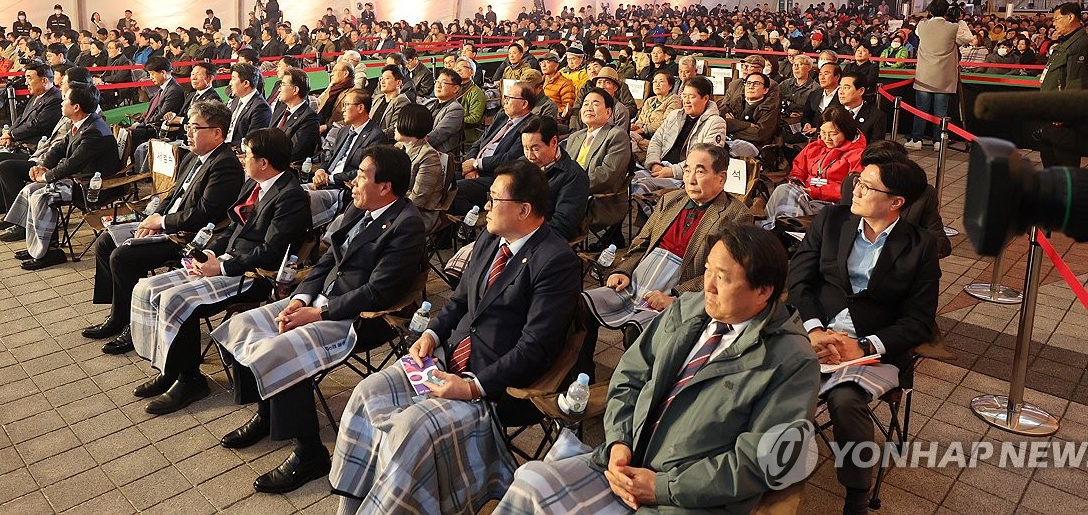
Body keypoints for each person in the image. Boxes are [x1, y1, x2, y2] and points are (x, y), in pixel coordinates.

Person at [493, 223, 820, 515]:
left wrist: (662, 486)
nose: (708, 286)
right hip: (628, 459)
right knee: (531, 481)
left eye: (723, 278)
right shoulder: (689, 310)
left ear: (763, 292)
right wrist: (620, 442)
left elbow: (759, 461)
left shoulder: (790, 361)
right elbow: (629, 375)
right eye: (707, 271)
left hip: (690, 496)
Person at [327, 160, 581, 513]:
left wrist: (473, 386)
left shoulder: (556, 260)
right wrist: (431, 334)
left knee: (409, 431)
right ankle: (351, 503)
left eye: (495, 199)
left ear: (524, 210)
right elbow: (460, 300)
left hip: (495, 383)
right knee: (367, 392)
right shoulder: (492, 238)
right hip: (448, 356)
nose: (486, 207)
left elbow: (536, 346)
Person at [787, 158, 939, 515]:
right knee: (762, 376)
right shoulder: (832, 220)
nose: (855, 189)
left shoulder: (920, 246)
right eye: (859, 180)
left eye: (867, 186)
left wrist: (864, 346)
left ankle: (857, 493)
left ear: (896, 202)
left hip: (873, 348)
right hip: (813, 331)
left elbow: (919, 320)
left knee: (845, 401)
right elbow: (799, 280)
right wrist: (814, 329)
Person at [127, 128, 309, 412]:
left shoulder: (290, 196)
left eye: (246, 155)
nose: (241, 160)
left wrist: (223, 266)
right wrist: (211, 252)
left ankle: (190, 380)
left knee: (176, 299)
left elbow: (272, 252)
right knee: (147, 288)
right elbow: (234, 228)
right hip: (229, 261)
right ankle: (168, 368)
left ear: (264, 162)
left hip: (255, 274)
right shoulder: (255, 185)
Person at [84, 100, 243, 352]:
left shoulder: (225, 164)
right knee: (106, 241)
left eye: (195, 128)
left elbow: (205, 213)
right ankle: (118, 315)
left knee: (123, 256)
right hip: (167, 224)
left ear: (216, 133)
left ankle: (133, 327)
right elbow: (170, 196)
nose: (188, 133)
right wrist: (153, 219)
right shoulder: (193, 157)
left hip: (188, 237)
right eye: (188, 126)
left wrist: (163, 222)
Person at [579, 144, 752, 369]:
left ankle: (634, 391)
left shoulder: (736, 215)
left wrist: (676, 297)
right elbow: (641, 243)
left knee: (637, 331)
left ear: (721, 178)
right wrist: (624, 270)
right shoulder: (671, 200)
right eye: (688, 170)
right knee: (581, 305)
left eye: (700, 171)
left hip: (678, 290)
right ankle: (584, 376)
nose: (690, 179)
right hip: (638, 280)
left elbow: (722, 276)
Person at [0, 83, 121, 270]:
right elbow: (59, 149)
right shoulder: (82, 123)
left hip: (91, 187)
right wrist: (42, 166)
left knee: (42, 195)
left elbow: (74, 163)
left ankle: (51, 251)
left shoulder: (94, 132)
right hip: (76, 179)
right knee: (30, 189)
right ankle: (38, 246)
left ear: (76, 107)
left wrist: (46, 178)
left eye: (65, 100)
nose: (62, 102)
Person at [0, 63, 62, 217]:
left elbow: (36, 125)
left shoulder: (54, 99)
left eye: (29, 78)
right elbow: (22, 119)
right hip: (22, 142)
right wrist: (9, 132)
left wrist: (12, 136)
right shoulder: (38, 97)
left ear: (44, 80)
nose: (26, 82)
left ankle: (12, 211)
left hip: (36, 148)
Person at [839, 140, 952, 257]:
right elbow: (838, 224)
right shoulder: (851, 183)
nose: (857, 192)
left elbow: (941, 244)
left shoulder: (922, 194)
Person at [762, 105, 864, 229]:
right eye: (823, 132)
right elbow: (798, 170)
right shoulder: (813, 148)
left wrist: (817, 191)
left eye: (833, 134)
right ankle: (780, 230)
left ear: (846, 131)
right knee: (784, 190)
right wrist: (796, 182)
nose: (827, 138)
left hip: (832, 204)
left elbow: (852, 189)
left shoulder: (857, 154)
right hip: (806, 196)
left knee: (787, 195)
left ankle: (779, 231)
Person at [307, 89, 390, 225]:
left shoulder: (375, 136)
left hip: (345, 188)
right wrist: (321, 171)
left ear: (360, 107)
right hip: (325, 181)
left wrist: (330, 179)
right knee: (293, 194)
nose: (342, 109)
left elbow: (364, 172)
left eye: (346, 105)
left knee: (304, 200)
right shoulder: (344, 130)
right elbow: (330, 157)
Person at [636, 76, 726, 194]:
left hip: (683, 177)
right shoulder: (675, 115)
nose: (686, 101)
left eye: (692, 97)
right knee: (624, 182)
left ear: (705, 98)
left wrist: (672, 171)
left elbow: (705, 158)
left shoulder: (715, 122)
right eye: (684, 96)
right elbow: (656, 140)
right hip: (658, 168)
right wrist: (654, 163)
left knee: (641, 187)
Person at [565, 88, 633, 241]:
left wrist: (568, 188)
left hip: (599, 202)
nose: (588, 108)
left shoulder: (616, 136)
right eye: (586, 104)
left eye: (595, 104)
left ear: (608, 112)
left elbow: (605, 175)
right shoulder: (575, 137)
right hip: (571, 195)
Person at [905, 0, 973, 151]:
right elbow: (969, 38)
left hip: (924, 76)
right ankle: (939, 141)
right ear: (947, 11)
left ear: (930, 10)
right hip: (944, 77)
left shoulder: (922, 26)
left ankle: (917, 140)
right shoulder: (953, 27)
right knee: (941, 111)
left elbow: (917, 32)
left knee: (921, 110)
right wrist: (960, 21)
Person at [1038, 2, 1088, 167]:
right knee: (1049, 156)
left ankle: (1067, 191)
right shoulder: (1067, 41)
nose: (1054, 23)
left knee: (1064, 159)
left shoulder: (1081, 43)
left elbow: (1077, 82)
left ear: (1070, 17)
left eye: (1057, 19)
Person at [520, 115, 588, 240]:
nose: (530, 156)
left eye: (535, 149)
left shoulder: (573, 176)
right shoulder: (522, 164)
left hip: (541, 239)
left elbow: (562, 225)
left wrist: (524, 237)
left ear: (554, 142)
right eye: (525, 148)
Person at [393, 104, 445, 225]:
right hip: (396, 205)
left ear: (410, 124)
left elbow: (418, 199)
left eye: (398, 121)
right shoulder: (399, 147)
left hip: (418, 214)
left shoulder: (428, 156)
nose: (395, 125)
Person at [722, 70, 780, 158]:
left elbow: (759, 134)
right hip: (727, 141)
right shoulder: (735, 102)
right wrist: (747, 125)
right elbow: (720, 123)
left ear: (765, 90)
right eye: (748, 83)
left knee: (731, 155)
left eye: (756, 84)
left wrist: (732, 126)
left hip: (756, 148)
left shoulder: (770, 108)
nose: (751, 86)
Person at [270, 67, 320, 162]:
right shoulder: (281, 108)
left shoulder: (309, 118)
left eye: (283, 85)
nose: (279, 89)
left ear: (295, 90)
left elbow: (294, 152)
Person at [226, 63, 272, 146]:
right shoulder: (237, 99)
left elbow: (251, 141)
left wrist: (225, 147)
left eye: (233, 79)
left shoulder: (260, 107)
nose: (230, 83)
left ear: (246, 83)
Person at [424, 69, 465, 157]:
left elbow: (438, 135)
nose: (438, 85)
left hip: (439, 155)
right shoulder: (428, 103)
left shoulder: (456, 109)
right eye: (437, 81)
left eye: (443, 83)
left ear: (455, 88)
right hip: (422, 148)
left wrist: (415, 143)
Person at [837, 70, 886, 144]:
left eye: (846, 88)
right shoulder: (832, 112)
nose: (841, 92)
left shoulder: (876, 116)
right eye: (840, 87)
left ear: (861, 91)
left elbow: (875, 148)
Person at [801, 61, 843, 135]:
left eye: (826, 74)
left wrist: (819, 130)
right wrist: (807, 124)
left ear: (837, 77)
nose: (822, 77)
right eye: (820, 74)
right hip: (811, 133)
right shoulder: (814, 94)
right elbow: (806, 115)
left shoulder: (843, 96)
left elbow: (842, 122)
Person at [369, 64, 411, 138]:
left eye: (387, 78)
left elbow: (393, 129)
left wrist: (370, 136)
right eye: (381, 78)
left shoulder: (402, 101)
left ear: (398, 83)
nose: (382, 82)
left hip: (385, 143)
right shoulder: (377, 99)